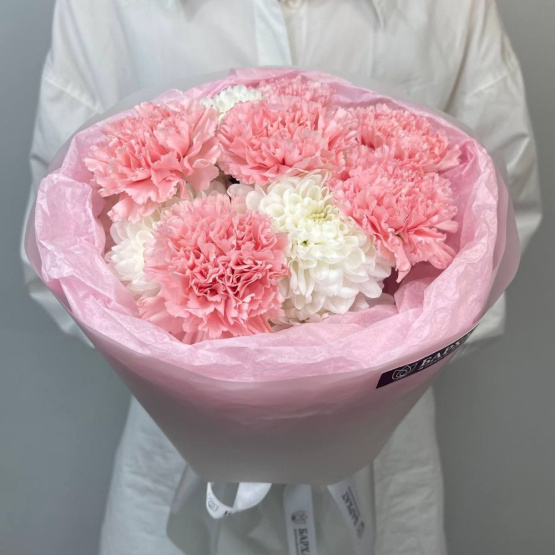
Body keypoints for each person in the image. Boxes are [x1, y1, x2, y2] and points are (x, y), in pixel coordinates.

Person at [21, 0, 541, 553]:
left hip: (382, 466)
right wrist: (207, 370)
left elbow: (495, 220)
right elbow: (60, 237)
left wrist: (359, 370)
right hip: (176, 468)